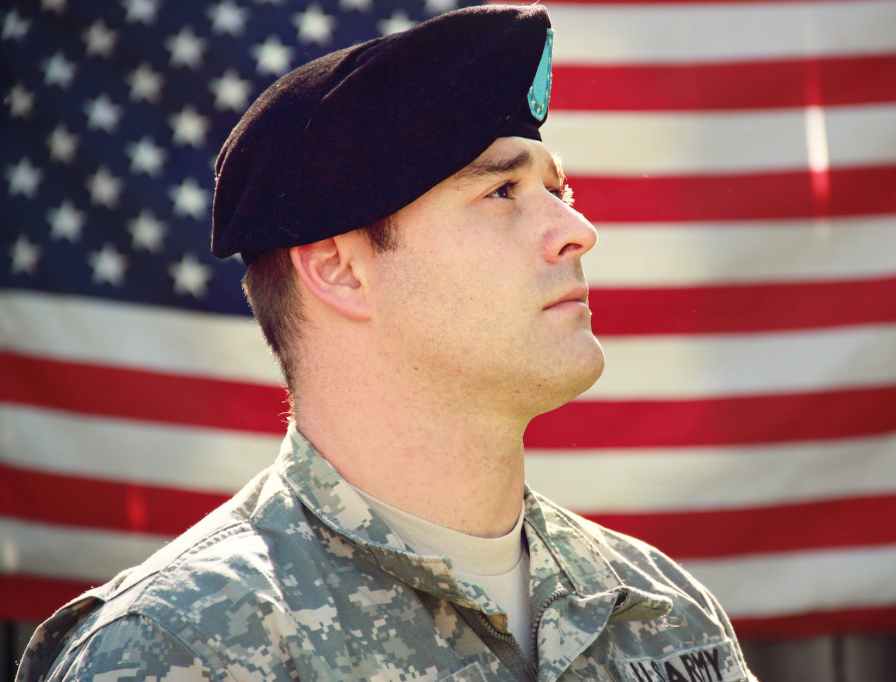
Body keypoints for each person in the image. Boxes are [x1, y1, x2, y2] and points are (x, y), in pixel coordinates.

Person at [18, 5, 757, 681]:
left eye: (556, 193)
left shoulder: (663, 617)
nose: (577, 231)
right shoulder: (183, 649)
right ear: (340, 270)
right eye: (501, 192)